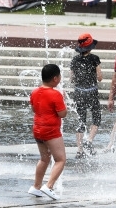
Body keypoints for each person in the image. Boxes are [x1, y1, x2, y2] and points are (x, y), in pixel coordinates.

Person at [27, 64, 67, 200]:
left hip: (37, 129)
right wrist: (64, 100)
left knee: (44, 158)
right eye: (60, 76)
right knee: (60, 159)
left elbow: (34, 109)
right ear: (55, 78)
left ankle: (36, 187)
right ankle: (48, 186)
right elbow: (62, 114)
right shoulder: (55, 94)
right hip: (50, 131)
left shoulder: (34, 92)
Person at [70, 33, 103, 159]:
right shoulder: (95, 59)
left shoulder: (74, 60)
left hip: (79, 92)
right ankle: (89, 140)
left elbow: (72, 78)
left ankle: (79, 150)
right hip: (92, 92)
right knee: (96, 116)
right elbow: (100, 78)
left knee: (81, 120)